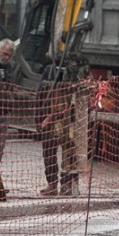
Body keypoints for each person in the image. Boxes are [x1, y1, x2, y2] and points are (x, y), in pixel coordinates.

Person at [37, 66, 79, 197]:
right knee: (49, 152)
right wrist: (39, 119)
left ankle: (67, 185)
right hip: (49, 120)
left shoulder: (75, 74)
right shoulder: (49, 72)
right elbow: (40, 98)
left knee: (69, 153)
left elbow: (75, 104)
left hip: (68, 122)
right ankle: (52, 184)